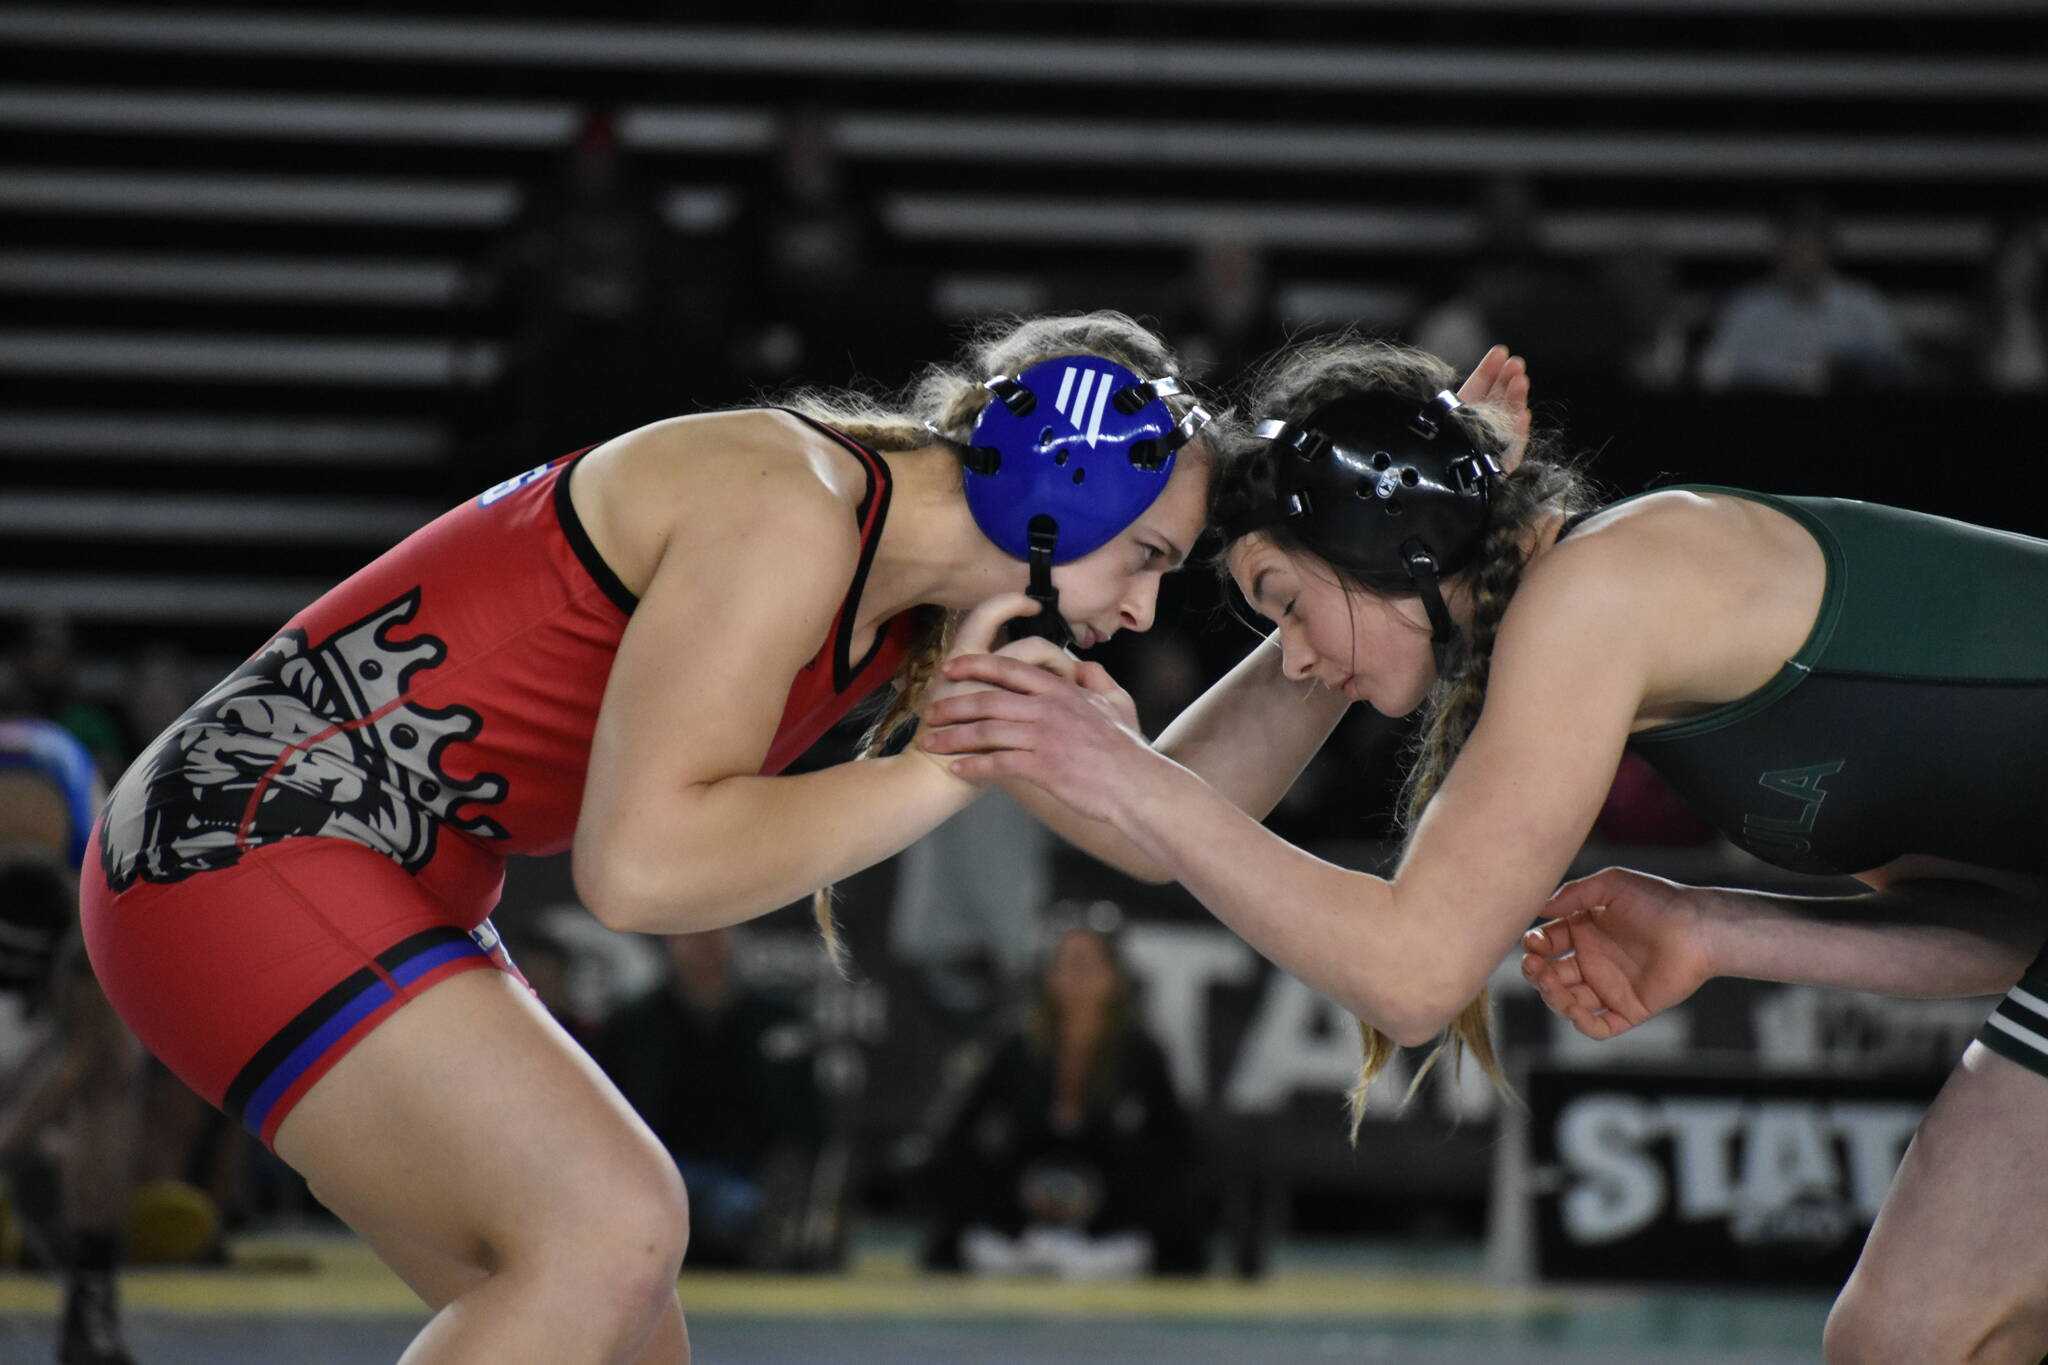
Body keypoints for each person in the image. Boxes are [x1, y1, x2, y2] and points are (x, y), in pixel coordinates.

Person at [78, 310, 1218, 1365]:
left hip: (339, 861)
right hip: (242, 836)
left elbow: (1163, 834)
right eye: (1149, 557)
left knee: (620, 1326)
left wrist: (1321, 654)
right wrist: (944, 767)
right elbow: (639, 871)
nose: (1144, 612)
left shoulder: (894, 596)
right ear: (1062, 484)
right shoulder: (787, 504)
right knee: (609, 1228)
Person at [921, 335, 2048, 1362]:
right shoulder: (1620, 632)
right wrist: (1718, 927)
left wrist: (1120, 767)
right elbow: (2009, 930)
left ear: (1394, 542)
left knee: (1917, 1341)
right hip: (1405, 547)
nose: (1295, 661)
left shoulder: (1603, 589)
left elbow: (1410, 976)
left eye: (1281, 609)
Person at [919, 913, 1210, 1278]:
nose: (1076, 978)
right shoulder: (1017, 1045)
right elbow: (958, 1130)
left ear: (1114, 978)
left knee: (1175, 1186)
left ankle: (1108, 1248)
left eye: (1088, 965)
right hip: (1023, 1190)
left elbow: (1176, 1142)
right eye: (1066, 965)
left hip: (1110, 1199)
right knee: (947, 1169)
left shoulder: (1140, 1051)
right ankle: (1013, 1244)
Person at [0, 716, 145, 1365]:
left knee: (118, 1065)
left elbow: (89, 1053)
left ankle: (91, 1286)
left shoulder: (100, 851)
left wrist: (16, 1138)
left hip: (75, 937)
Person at [591, 928, 823, 1269]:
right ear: (670, 944)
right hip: (658, 1171)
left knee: (733, 1210)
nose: (704, 946)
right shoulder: (633, 1024)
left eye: (715, 933)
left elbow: (806, 1120)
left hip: (747, 1174)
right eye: (690, 936)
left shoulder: (777, 1020)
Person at [1696, 194, 1908, 395]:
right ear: (1778, 248)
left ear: (1828, 249)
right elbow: (1714, 373)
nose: (1802, 256)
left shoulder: (1862, 305)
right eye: (1793, 244)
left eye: (1810, 246)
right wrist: (1785, 374)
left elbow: (1894, 367)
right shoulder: (1746, 309)